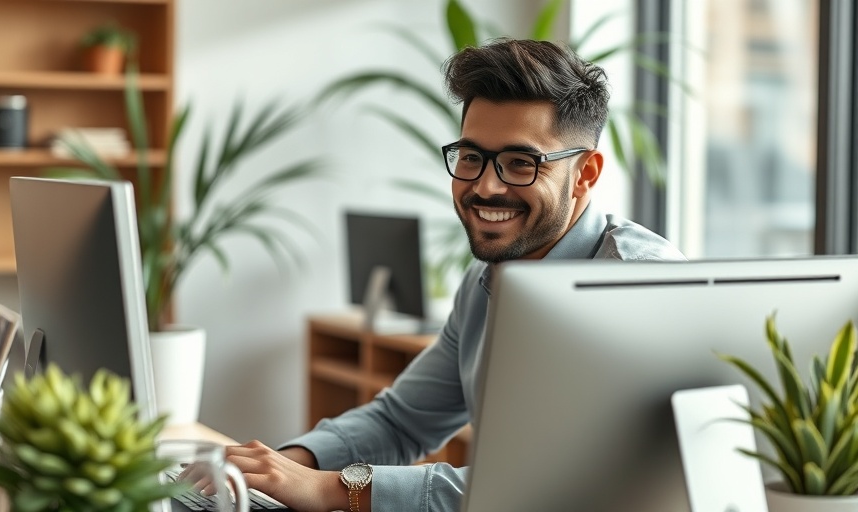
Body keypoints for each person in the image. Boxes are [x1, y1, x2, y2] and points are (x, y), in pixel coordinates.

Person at [222, 38, 686, 512]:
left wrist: (332, 488)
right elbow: (401, 422)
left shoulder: (638, 288)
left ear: (585, 174)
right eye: (471, 157)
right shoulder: (489, 279)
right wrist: (272, 471)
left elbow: (557, 489)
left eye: (520, 163)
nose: (485, 185)